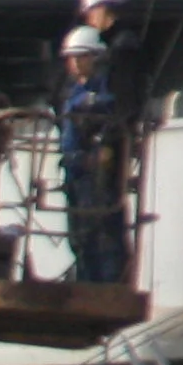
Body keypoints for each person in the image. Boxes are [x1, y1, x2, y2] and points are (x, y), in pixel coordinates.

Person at [59, 25, 130, 285]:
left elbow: (112, 109)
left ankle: (107, 283)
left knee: (100, 230)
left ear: (95, 58)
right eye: (72, 57)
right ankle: (87, 281)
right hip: (74, 172)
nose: (76, 63)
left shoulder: (100, 92)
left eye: (83, 56)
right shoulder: (72, 94)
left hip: (93, 175)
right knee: (79, 235)